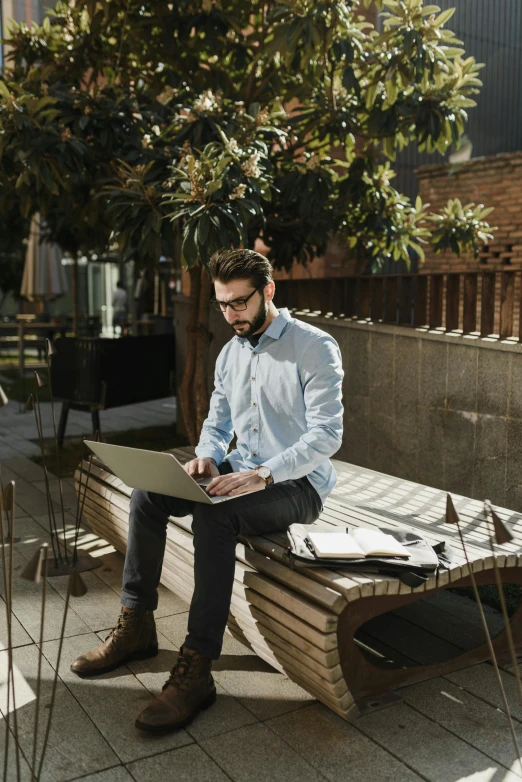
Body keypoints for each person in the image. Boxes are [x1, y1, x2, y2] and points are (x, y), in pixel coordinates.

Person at [70, 249, 344, 733]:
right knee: (148, 494)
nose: (231, 314)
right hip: (238, 473)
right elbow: (217, 423)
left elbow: (326, 436)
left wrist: (262, 474)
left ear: (269, 292)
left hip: (297, 484)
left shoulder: (314, 346)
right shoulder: (230, 352)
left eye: (240, 303)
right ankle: (136, 625)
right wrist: (207, 454)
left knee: (217, 517)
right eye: (222, 305)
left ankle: (197, 667)